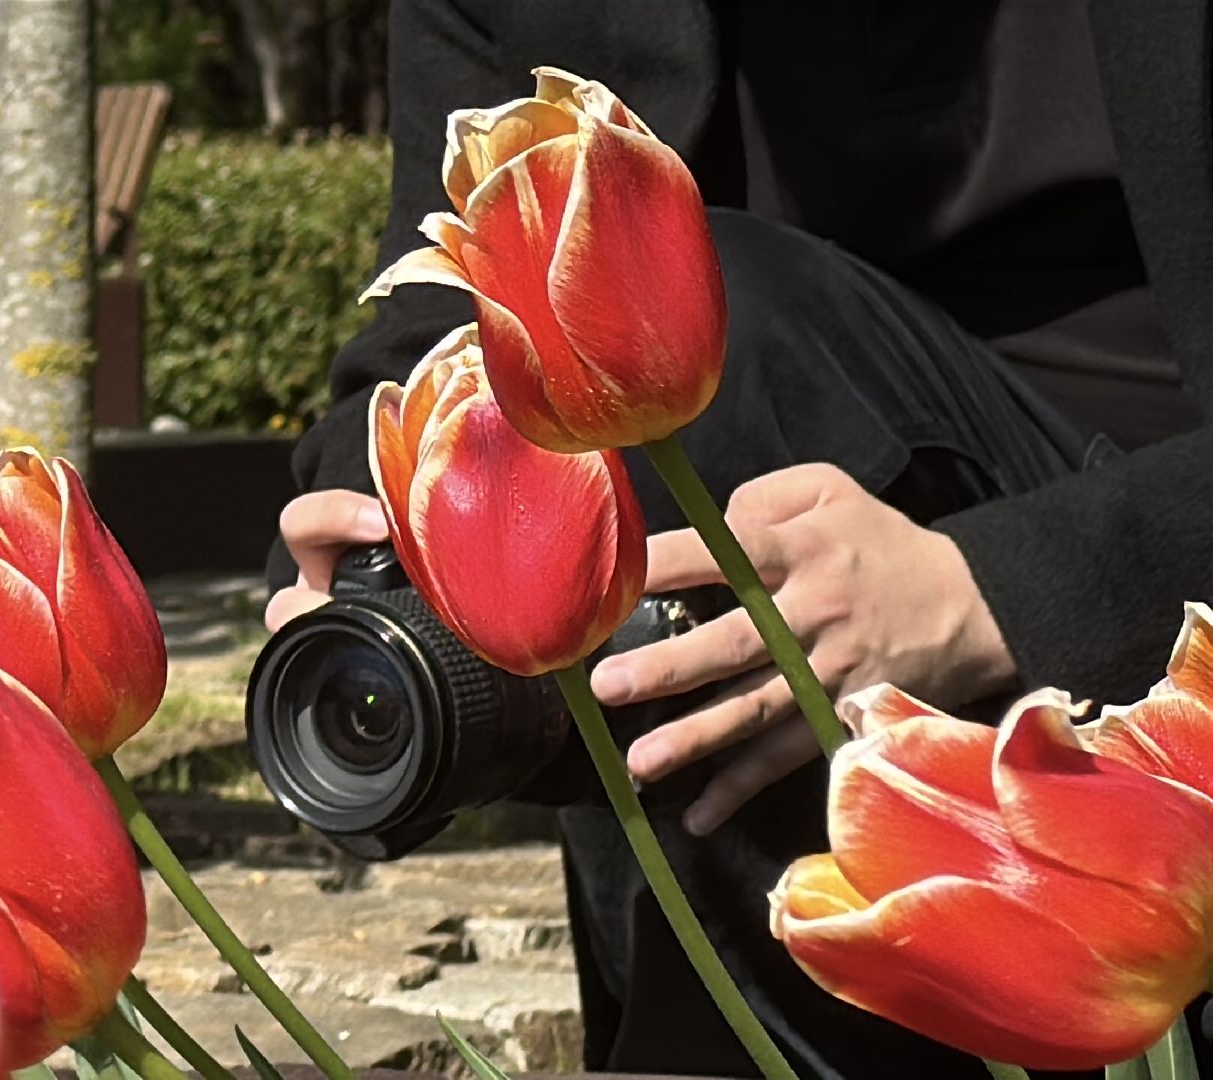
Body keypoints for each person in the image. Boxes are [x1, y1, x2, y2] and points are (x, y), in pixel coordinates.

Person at [263, 2, 1213, 1077]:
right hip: (717, 570)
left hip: (1136, 549)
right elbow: (439, 328)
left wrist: (996, 587)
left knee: (694, 307)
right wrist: (378, 538)